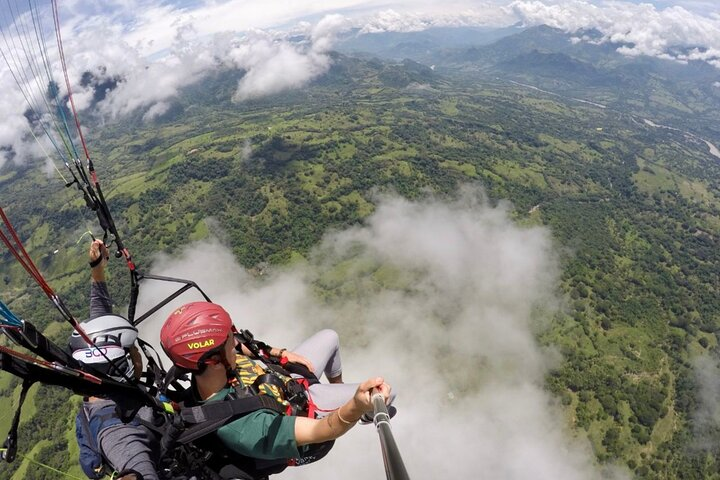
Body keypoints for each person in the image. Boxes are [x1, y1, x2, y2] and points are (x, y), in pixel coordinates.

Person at [159, 301, 392, 472]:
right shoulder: (243, 429)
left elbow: (241, 345)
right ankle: (364, 413)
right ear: (214, 360)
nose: (235, 340)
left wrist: (278, 353)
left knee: (329, 336)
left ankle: (336, 390)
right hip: (307, 410)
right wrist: (356, 404)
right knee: (385, 394)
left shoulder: (208, 367)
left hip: (285, 383)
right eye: (229, 339)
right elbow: (323, 430)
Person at [70, 240, 159, 480]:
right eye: (133, 352)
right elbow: (138, 466)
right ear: (124, 368)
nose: (137, 355)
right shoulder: (117, 430)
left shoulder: (100, 387)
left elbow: (101, 327)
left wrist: (98, 267)